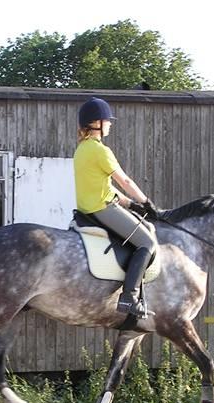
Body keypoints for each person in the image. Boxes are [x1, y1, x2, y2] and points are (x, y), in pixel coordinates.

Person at [73, 97, 160, 318]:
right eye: (107, 121)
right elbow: (125, 181)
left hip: (89, 209)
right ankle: (129, 297)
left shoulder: (82, 149)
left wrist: (131, 204)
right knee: (147, 242)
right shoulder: (101, 151)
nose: (110, 124)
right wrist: (146, 201)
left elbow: (107, 187)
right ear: (97, 123)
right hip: (101, 209)